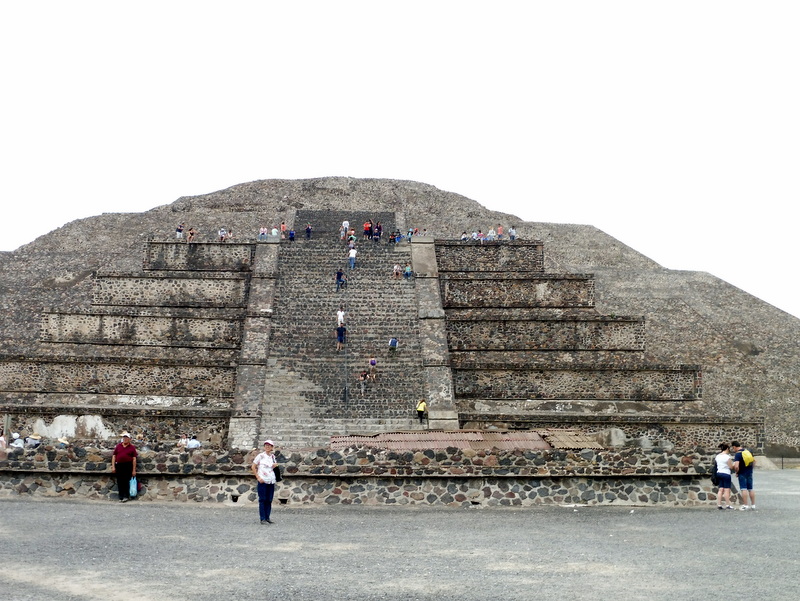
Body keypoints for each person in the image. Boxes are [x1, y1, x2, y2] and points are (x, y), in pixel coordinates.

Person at [251, 440, 278, 524]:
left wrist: (276, 465)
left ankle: (267, 517)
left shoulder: (273, 457)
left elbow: (274, 467)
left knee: (269, 499)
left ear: (272, 447)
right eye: (266, 445)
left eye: (269, 446)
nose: (267, 447)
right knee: (262, 499)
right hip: (263, 480)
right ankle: (262, 518)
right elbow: (253, 466)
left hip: (271, 480)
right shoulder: (260, 456)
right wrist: (258, 477)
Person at [111, 432, 138, 503]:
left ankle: (126, 496)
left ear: (129, 439)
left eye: (126, 438)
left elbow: (134, 459)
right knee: (120, 481)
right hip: (119, 465)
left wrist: (134, 470)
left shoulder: (132, 448)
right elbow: (114, 456)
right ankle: (121, 496)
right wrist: (113, 466)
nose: (125, 439)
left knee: (126, 481)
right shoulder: (118, 446)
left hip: (128, 465)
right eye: (124, 437)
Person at [731, 441, 756, 510]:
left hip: (742, 473)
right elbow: (754, 461)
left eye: (733, 448)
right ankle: (753, 505)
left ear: (734, 447)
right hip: (749, 472)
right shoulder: (748, 452)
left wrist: (736, 472)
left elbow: (736, 466)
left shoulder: (738, 454)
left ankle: (745, 505)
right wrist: (751, 469)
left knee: (743, 489)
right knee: (750, 489)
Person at [714, 443, 734, 510]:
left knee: (720, 489)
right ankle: (727, 504)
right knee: (726, 490)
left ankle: (719, 504)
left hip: (719, 473)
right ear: (727, 449)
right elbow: (731, 466)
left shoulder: (717, 456)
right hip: (726, 473)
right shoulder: (727, 457)